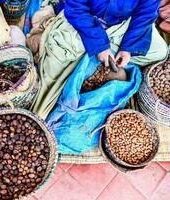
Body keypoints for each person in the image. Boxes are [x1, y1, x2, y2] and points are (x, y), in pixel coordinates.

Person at [31, 0, 168, 119]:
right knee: (54, 66)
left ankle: (98, 55)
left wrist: (128, 48)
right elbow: (76, 8)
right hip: (85, 21)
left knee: (159, 52)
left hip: (121, 24)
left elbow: (145, 15)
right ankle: (93, 53)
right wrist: (100, 45)